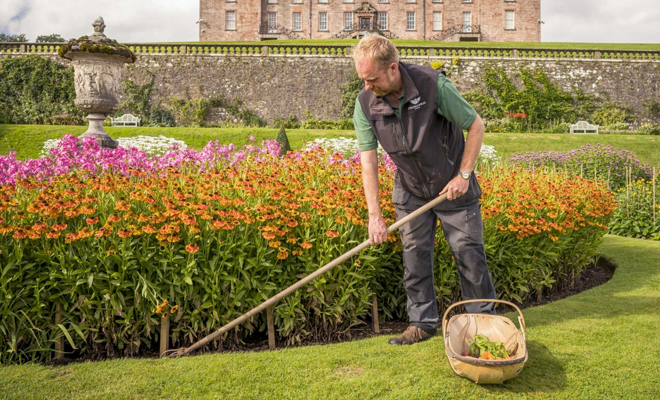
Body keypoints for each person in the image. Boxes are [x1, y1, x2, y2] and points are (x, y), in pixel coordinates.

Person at [352, 34, 496, 345]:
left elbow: (476, 125)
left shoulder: (433, 86)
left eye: (372, 79)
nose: (367, 86)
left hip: (451, 187)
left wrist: (464, 175)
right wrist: (374, 216)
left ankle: (483, 322)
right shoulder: (365, 103)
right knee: (414, 256)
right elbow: (368, 160)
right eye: (362, 79)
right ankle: (422, 322)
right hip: (411, 189)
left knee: (468, 254)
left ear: (393, 68)